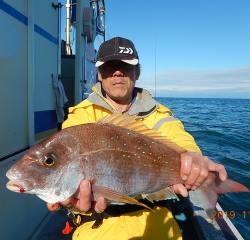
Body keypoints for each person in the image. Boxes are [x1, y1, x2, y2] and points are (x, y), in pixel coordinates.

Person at [48, 37, 227, 239]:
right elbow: (65, 152)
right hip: (97, 228)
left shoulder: (158, 113)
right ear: (99, 74)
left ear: (137, 73)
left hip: (157, 226)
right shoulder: (81, 116)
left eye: (125, 66)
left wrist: (192, 158)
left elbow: (176, 136)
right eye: (109, 67)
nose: (117, 72)